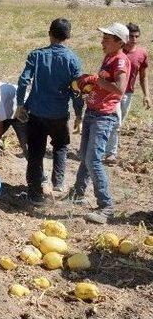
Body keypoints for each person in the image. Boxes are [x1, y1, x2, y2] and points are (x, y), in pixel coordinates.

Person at [69, 23, 131, 224]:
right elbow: (104, 85)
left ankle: (106, 206)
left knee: (93, 160)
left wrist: (96, 80)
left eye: (107, 38)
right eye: (103, 37)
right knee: (85, 156)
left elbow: (120, 89)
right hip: (93, 112)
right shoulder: (109, 57)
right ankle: (77, 193)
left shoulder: (121, 61)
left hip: (104, 116)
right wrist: (90, 85)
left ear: (119, 42)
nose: (102, 41)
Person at [15, 18, 83, 204]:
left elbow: (23, 81)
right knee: (60, 146)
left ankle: (35, 192)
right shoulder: (73, 59)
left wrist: (20, 104)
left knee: (36, 151)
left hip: (36, 113)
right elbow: (77, 90)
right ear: (68, 36)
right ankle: (58, 183)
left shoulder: (36, 55)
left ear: (49, 32)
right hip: (60, 113)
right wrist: (78, 114)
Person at [104, 22, 150, 163]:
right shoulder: (116, 51)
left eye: (136, 36)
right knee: (115, 121)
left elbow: (143, 76)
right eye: (131, 36)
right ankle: (111, 153)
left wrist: (147, 95)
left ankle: (105, 146)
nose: (133, 40)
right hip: (113, 92)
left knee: (118, 123)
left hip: (128, 93)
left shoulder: (142, 53)